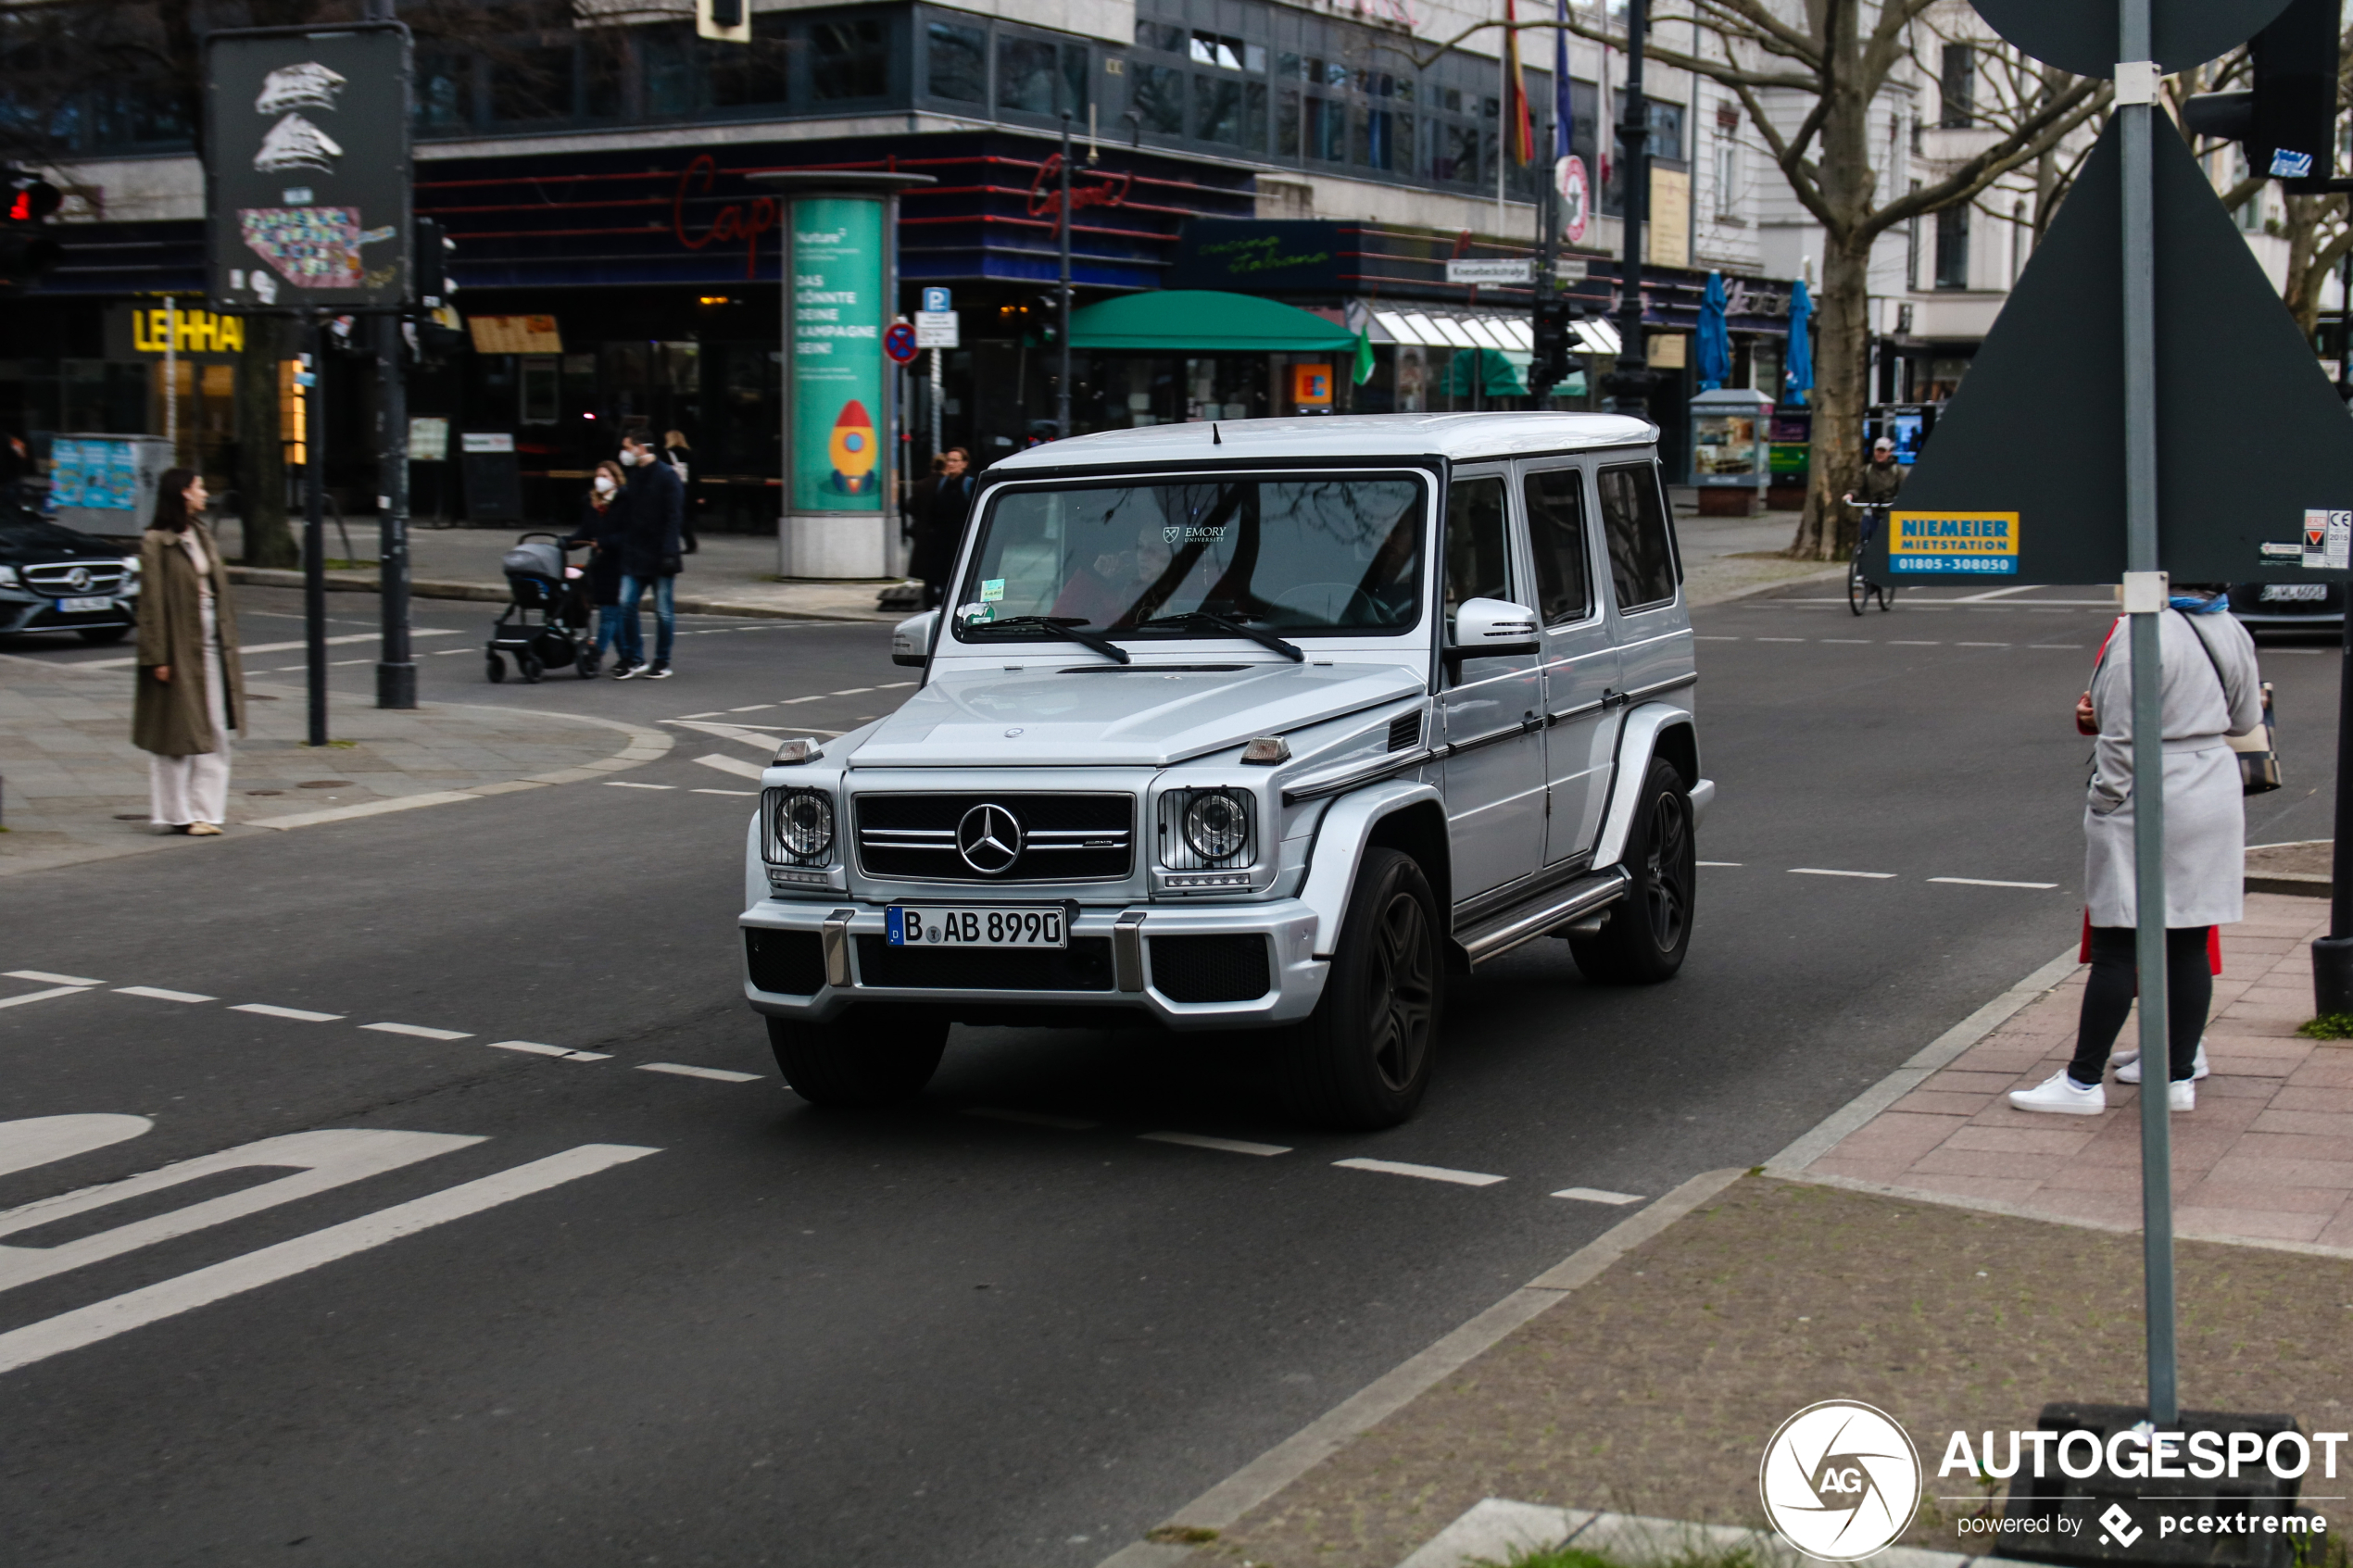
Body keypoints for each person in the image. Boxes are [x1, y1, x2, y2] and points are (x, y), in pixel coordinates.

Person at [2009, 586, 2262, 1117]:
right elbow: (2244, 720)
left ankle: (2081, 1083)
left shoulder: (2137, 630)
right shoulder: (2229, 626)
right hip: (2212, 781)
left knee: (2117, 944)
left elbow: (2118, 732)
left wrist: (2105, 796)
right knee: (2190, 943)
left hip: (2149, 784)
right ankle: (2176, 1076)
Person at [132, 469, 247, 837]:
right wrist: (157, 658)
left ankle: (207, 812)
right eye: (199, 486)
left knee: (214, 728)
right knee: (176, 734)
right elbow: (151, 606)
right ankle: (177, 814)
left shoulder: (201, 534)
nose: (204, 492)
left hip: (213, 644)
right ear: (182, 493)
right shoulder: (156, 542)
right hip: (178, 648)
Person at [612, 432, 685, 680]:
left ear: (640, 448)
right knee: (625, 604)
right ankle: (635, 658)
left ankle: (661, 661)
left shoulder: (666, 476)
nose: (624, 453)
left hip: (660, 554)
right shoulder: (635, 477)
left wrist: (669, 551)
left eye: (626, 447)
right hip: (635, 553)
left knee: (663, 611)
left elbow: (674, 517)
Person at [561, 459, 629, 676]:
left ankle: (596, 654)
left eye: (606, 476)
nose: (600, 480)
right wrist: (567, 542)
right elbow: (585, 532)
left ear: (616, 479)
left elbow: (627, 535)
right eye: (598, 476)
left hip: (619, 563)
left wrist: (604, 543)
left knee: (609, 612)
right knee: (613, 613)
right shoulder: (593, 504)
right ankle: (627, 657)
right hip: (600, 564)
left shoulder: (623, 502)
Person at [910, 446, 975, 608]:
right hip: (941, 542)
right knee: (940, 578)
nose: (950, 464)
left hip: (960, 540)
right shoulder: (942, 484)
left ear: (964, 464)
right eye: (948, 460)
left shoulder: (969, 484)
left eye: (955, 460)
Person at [661, 428, 701, 552]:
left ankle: (675, 543)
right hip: (687, 488)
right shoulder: (690, 453)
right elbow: (695, 475)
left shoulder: (667, 453)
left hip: (673, 486)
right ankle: (690, 543)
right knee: (685, 517)